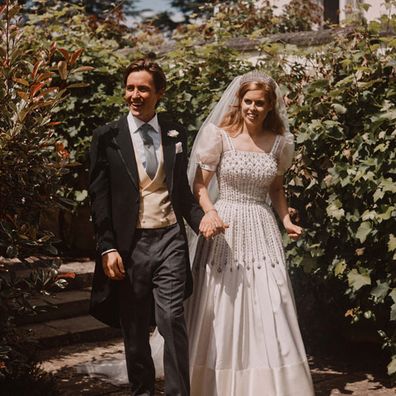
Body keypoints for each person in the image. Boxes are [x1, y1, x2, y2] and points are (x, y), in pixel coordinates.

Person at [185, 70, 315, 395]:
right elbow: (199, 185)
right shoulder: (220, 136)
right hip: (225, 224)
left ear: (270, 106)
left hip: (262, 225)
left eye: (260, 103)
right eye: (248, 101)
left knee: (270, 300)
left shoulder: (279, 144)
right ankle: (217, 382)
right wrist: (210, 212)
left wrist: (285, 219)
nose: (252, 108)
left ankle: (270, 383)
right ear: (239, 101)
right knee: (223, 302)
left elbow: (276, 188)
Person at [88, 58, 208, 396]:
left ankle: (178, 393)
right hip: (130, 244)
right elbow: (99, 198)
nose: (135, 95)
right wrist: (107, 246)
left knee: (172, 319)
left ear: (159, 93)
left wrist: (202, 221)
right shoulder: (107, 137)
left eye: (143, 88)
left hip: (170, 237)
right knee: (135, 327)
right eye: (130, 88)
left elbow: (182, 193)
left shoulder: (175, 133)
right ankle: (141, 391)